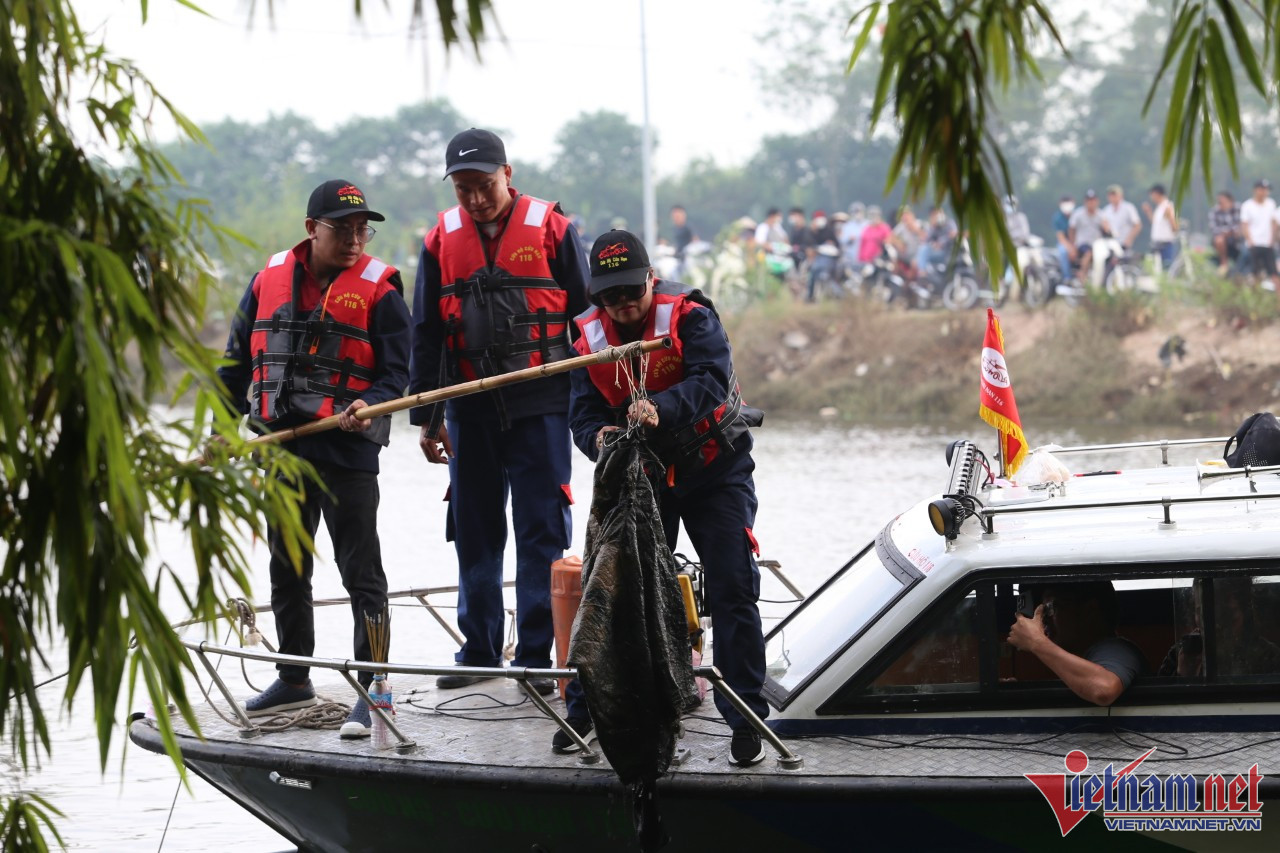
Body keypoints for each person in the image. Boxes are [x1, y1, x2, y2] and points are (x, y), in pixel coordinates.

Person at [563, 229, 769, 767]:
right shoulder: (584, 339)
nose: (623, 305)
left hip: (714, 470)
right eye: (610, 297)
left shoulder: (692, 317)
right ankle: (589, 710)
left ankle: (746, 716)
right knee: (618, 592)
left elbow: (711, 378)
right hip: (644, 478)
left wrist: (661, 407)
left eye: (632, 292)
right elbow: (582, 414)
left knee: (732, 585)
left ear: (651, 280)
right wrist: (598, 438)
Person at [217, 179, 411, 737]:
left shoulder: (381, 292)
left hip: (346, 449)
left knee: (361, 573)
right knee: (287, 566)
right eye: (341, 229)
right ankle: (294, 675)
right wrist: (220, 430)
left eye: (362, 230)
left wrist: (370, 403)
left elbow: (398, 374)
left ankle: (375, 689)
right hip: (281, 448)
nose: (354, 240)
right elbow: (235, 364)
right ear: (311, 229)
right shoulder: (267, 281)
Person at [408, 128, 591, 694]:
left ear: (507, 174)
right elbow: (426, 331)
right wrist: (428, 418)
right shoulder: (440, 239)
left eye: (484, 185)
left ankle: (534, 657)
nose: (475, 198)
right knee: (475, 530)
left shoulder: (554, 229)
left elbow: (588, 319)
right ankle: (479, 651)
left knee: (541, 529)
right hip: (469, 408)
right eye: (463, 188)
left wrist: (592, 401)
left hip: (542, 404)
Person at [1007, 581, 1146, 706]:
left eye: (1049, 608)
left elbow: (1103, 689)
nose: (1044, 618)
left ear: (1090, 610)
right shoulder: (1087, 655)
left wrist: (1036, 642)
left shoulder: (1116, 649)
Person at [1239, 179, 1279, 288]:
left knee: (1273, 272)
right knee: (1254, 272)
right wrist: (1250, 241)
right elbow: (1244, 225)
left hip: (1268, 244)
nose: (1264, 192)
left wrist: (1272, 240)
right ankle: (1256, 295)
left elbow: (1273, 223)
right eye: (1262, 189)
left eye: (1266, 190)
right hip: (1253, 244)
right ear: (1256, 190)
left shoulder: (1271, 204)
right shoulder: (1247, 205)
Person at [1067, 189, 1105, 282]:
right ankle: (1082, 275)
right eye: (1089, 201)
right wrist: (1072, 246)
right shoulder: (1078, 214)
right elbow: (1072, 230)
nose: (1091, 203)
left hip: (1097, 244)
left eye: (1093, 200)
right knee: (1088, 253)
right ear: (1085, 202)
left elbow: (1107, 229)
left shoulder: (1101, 215)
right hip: (1082, 243)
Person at [805, 210, 840, 301]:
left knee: (826, 276)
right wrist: (813, 231)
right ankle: (810, 296)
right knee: (813, 273)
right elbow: (811, 244)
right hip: (818, 258)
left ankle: (839, 295)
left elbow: (837, 245)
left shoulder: (829, 230)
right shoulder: (814, 232)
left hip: (830, 259)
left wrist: (831, 245)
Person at [1143, 184, 1178, 269]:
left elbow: (1174, 225)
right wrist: (1148, 212)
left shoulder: (1167, 206)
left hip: (1165, 243)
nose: (1151, 197)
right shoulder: (1160, 207)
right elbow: (1155, 223)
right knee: (1157, 267)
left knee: (1166, 266)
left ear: (1157, 194)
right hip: (1157, 243)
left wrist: (1174, 231)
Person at [1101, 184, 1142, 254]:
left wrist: (1129, 240)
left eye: (1114, 195)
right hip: (1111, 244)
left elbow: (1137, 225)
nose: (1112, 197)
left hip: (1125, 243)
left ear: (1121, 195)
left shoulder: (1128, 208)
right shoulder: (1106, 210)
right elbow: (1104, 226)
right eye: (1110, 195)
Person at [1209, 190, 1242, 276]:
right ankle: (1224, 264)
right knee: (1219, 239)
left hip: (1238, 239)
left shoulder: (1239, 208)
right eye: (1219, 202)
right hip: (1222, 240)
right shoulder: (1215, 211)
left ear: (1231, 201)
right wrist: (1229, 232)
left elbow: (1242, 225)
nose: (1220, 204)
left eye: (1223, 202)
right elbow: (1214, 229)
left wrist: (1229, 231)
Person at [915, 206, 956, 272]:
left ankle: (922, 271)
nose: (937, 216)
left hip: (948, 252)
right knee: (923, 249)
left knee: (924, 250)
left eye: (938, 213)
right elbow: (926, 240)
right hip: (938, 253)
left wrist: (940, 243)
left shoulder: (949, 223)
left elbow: (953, 235)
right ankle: (923, 271)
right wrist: (932, 226)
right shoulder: (934, 227)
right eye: (934, 215)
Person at [1052, 195, 1075, 281]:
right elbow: (1061, 237)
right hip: (1064, 243)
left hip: (1076, 241)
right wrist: (1071, 249)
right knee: (1063, 252)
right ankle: (1067, 278)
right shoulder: (1058, 218)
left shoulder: (1077, 215)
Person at [669, 204, 695, 276]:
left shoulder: (688, 229)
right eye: (674, 216)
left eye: (678, 216)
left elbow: (695, 244)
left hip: (687, 262)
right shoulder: (675, 229)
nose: (676, 218)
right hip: (678, 260)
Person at [840, 202, 867, 269]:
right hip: (851, 256)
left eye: (859, 211)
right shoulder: (847, 226)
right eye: (856, 212)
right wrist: (849, 239)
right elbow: (842, 241)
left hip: (866, 257)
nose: (858, 214)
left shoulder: (868, 224)